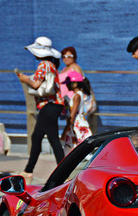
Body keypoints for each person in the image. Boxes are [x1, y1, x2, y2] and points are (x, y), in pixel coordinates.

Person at [16, 36, 65, 182]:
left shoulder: (44, 65)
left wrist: (25, 79)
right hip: (52, 106)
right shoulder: (51, 65)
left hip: (49, 105)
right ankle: (28, 169)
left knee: (53, 139)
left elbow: (36, 85)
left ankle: (62, 170)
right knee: (36, 137)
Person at [60, 71, 95, 150]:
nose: (66, 85)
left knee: (72, 150)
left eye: (68, 83)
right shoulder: (79, 95)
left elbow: (72, 116)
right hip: (78, 124)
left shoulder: (77, 96)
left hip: (76, 126)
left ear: (75, 84)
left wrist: (64, 131)